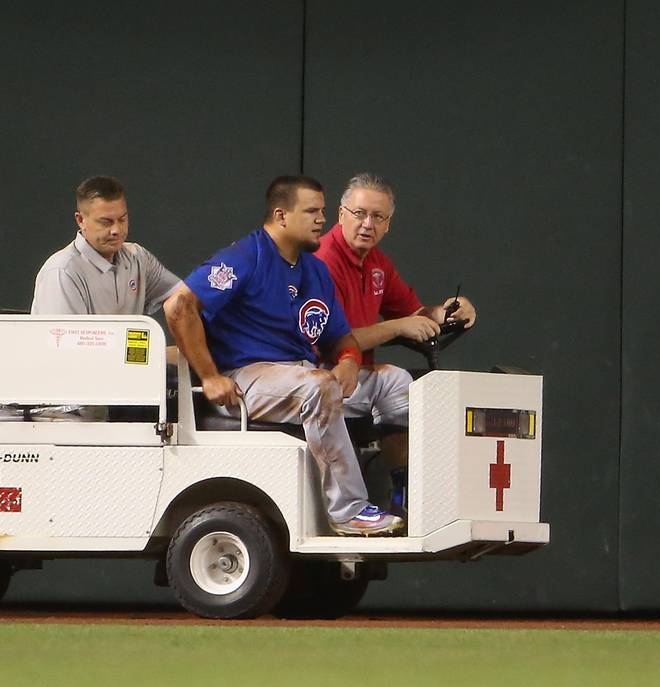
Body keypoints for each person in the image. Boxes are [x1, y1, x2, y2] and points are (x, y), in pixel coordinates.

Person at [163, 175, 403, 536]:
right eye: (311, 211)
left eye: (322, 211)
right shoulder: (246, 256)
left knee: (394, 381)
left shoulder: (314, 270)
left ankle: (402, 493)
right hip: (247, 378)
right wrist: (210, 376)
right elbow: (178, 305)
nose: (321, 219)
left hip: (300, 374)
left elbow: (340, 336)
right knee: (318, 386)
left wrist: (350, 360)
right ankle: (349, 511)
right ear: (281, 215)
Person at [314, 173, 477, 515]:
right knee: (397, 380)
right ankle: (397, 497)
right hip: (320, 379)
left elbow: (415, 312)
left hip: (357, 378)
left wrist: (446, 311)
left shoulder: (377, 264)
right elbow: (336, 343)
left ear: (388, 224)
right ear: (341, 214)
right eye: (359, 214)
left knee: (405, 387)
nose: (367, 224)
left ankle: (405, 494)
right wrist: (399, 327)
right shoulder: (322, 262)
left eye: (378, 217)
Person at [31, 175, 181, 315]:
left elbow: (184, 297)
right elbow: (62, 342)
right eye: (106, 222)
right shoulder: (62, 273)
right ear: (81, 220)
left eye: (122, 219)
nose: (116, 230)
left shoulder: (138, 258)